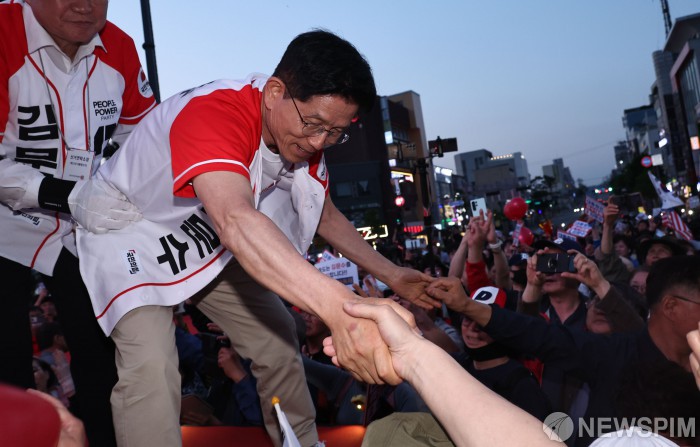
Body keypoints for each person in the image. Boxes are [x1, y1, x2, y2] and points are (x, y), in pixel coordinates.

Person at [76, 30, 435, 447]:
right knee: (152, 364)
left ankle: (301, 442)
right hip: (132, 233)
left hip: (200, 237)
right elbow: (236, 219)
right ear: (275, 92)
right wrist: (338, 311)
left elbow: (324, 214)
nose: (319, 141)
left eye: (335, 132)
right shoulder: (216, 111)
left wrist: (393, 274)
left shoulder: (301, 134)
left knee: (279, 337)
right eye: (314, 124)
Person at [0, 1, 156, 445]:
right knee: (9, 368)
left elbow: (145, 138)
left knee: (104, 362)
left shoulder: (119, 45)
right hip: (5, 225)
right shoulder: (4, 33)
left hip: (81, 227)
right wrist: (65, 194)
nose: (85, 5)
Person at [426, 255, 700, 446]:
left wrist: (600, 284)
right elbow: (537, 335)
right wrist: (467, 306)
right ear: (671, 307)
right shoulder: (613, 355)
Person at [323, 298, 564, 447]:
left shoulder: (521, 384)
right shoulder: (459, 365)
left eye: (480, 323)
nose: (471, 329)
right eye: (467, 320)